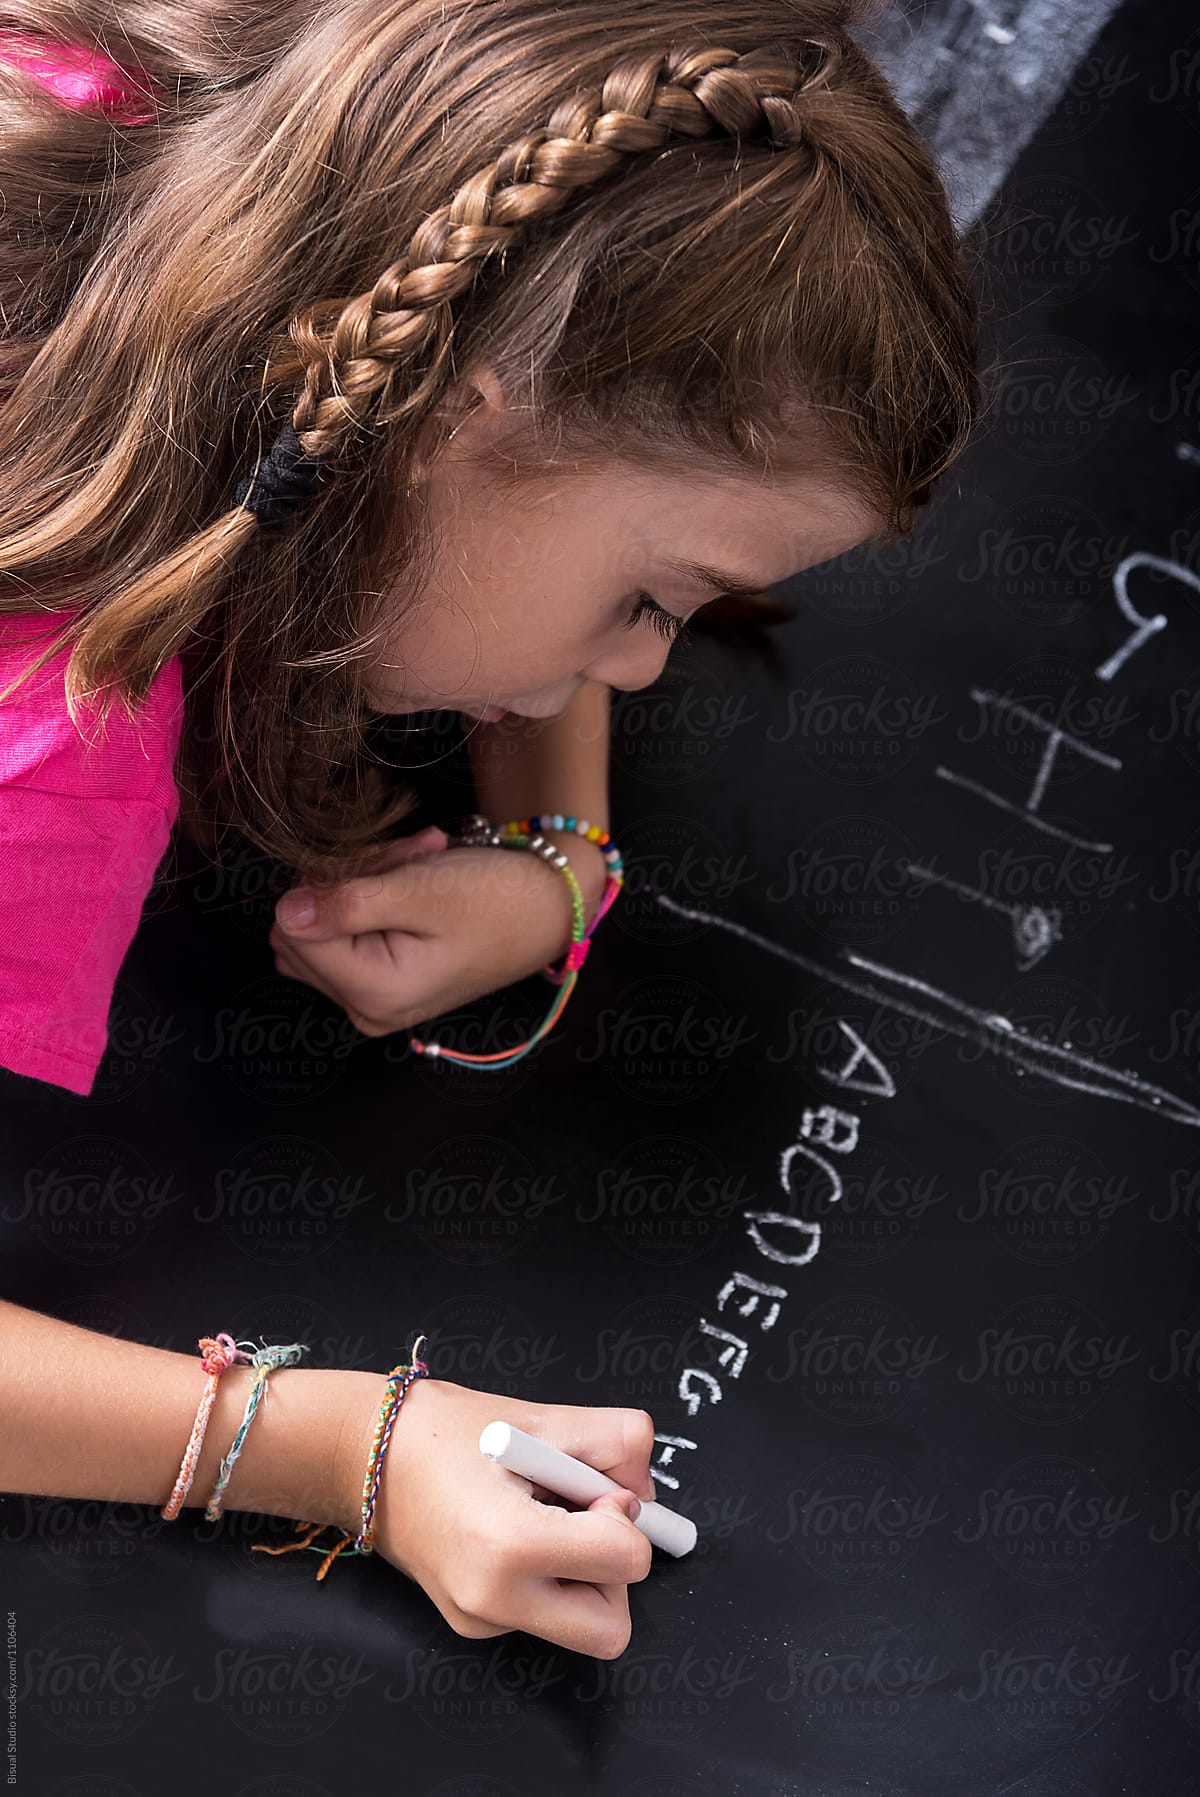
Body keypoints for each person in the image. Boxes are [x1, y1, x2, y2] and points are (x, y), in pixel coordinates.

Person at [0, 0, 984, 1658]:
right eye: (651, 597)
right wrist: (344, 1452)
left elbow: (536, 412)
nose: (641, 663)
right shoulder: (54, 743)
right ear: (445, 408)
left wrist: (562, 852)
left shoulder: (263, 122)